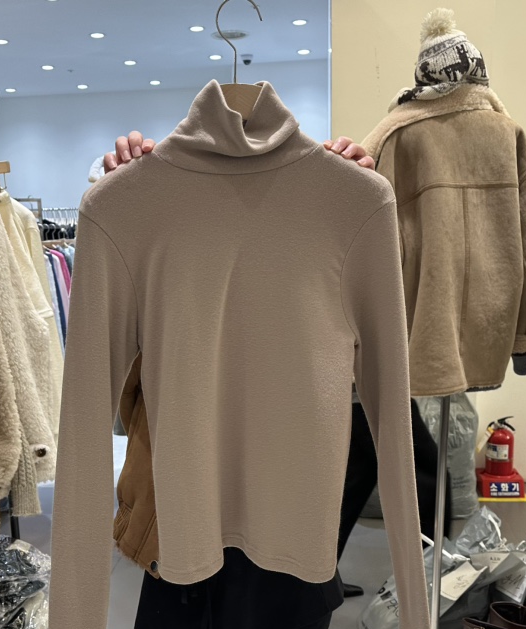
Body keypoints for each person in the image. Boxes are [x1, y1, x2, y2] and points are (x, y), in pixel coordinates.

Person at [105, 133, 449, 604]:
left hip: (291, 529)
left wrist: (356, 208)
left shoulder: (339, 200)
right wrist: (124, 203)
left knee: (285, 626)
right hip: (178, 526)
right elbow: (109, 396)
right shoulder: (145, 200)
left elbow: (387, 403)